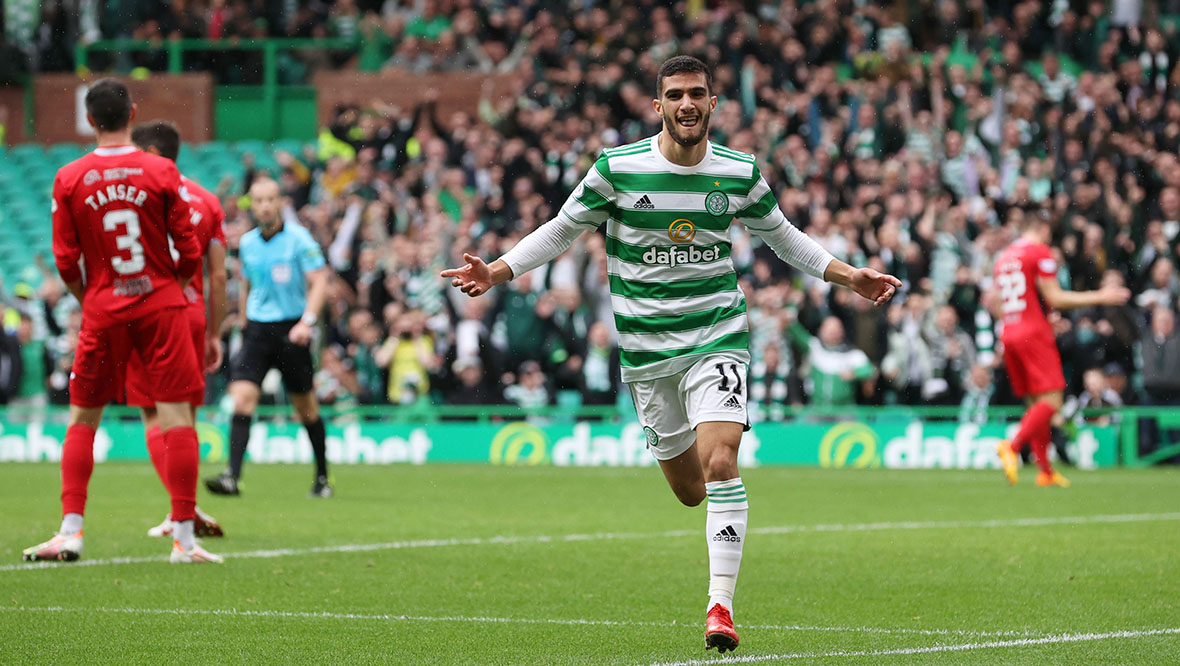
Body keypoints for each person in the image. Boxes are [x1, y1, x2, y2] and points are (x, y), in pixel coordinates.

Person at [441, 56, 900, 654]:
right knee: (689, 490)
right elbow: (562, 228)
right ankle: (715, 521)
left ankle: (720, 607)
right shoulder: (618, 168)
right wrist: (499, 270)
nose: (687, 104)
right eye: (676, 95)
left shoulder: (738, 172)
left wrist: (847, 277)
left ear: (714, 104)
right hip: (648, 351)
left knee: (721, 464)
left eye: (698, 94)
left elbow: (781, 235)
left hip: (717, 334)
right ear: (658, 106)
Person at [23, 78, 220, 564]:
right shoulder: (160, 170)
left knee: (82, 418)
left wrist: (88, 295)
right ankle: (184, 541)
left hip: (104, 307)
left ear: (89, 119)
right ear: (132, 113)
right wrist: (172, 284)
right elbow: (189, 245)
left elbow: (65, 259)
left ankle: (71, 532)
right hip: (161, 304)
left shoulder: (68, 177)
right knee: (177, 418)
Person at [123, 120, 227, 539]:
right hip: (193, 312)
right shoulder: (206, 200)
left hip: (146, 311)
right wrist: (216, 332)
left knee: (153, 413)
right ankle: (184, 509)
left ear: (150, 151)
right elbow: (218, 277)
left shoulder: (132, 198)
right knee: (185, 416)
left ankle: (181, 509)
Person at [204, 177, 332, 498]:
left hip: (292, 330)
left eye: (270, 199)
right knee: (242, 398)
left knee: (307, 410)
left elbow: (320, 281)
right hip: (258, 331)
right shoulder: (246, 243)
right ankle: (232, 476)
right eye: (258, 200)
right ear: (252, 204)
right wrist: (244, 320)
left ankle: (322, 478)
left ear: (280, 202)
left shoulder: (299, 239)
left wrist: (308, 322)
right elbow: (248, 284)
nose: (264, 205)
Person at [993, 212, 1130, 488]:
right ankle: (1014, 446)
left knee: (1035, 403)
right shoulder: (1039, 251)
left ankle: (1045, 470)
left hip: (1010, 332)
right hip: (1033, 334)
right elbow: (1055, 296)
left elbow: (1001, 301)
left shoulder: (1004, 256)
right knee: (1051, 402)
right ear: (1043, 229)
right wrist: (1100, 296)